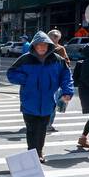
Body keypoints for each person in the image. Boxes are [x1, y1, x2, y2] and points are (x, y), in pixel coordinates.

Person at [7, 30, 74, 163]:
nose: (42, 47)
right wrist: (26, 79)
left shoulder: (57, 60)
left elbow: (66, 77)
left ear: (49, 45)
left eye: (45, 45)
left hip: (48, 102)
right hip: (29, 101)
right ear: (34, 46)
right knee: (31, 129)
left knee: (42, 129)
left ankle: (39, 151)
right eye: (39, 45)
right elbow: (11, 74)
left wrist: (67, 91)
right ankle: (32, 152)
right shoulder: (25, 59)